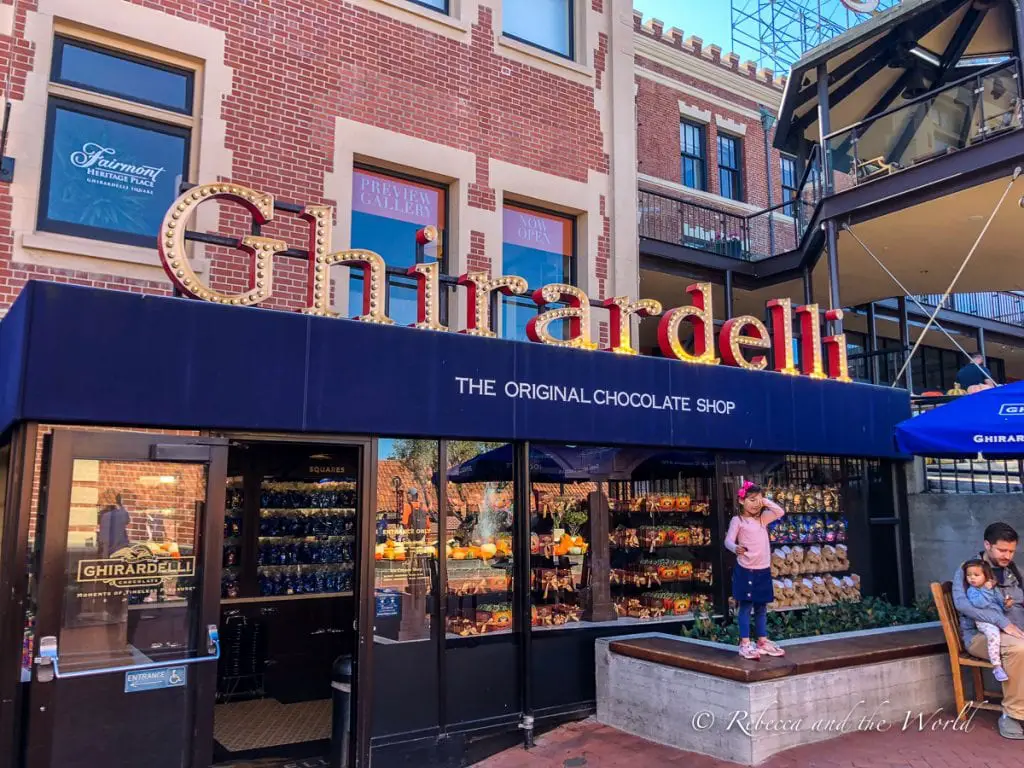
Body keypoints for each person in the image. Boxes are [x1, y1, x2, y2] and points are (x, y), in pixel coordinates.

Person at [952, 521, 1024, 739]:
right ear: (987, 545)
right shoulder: (969, 570)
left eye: (1011, 551)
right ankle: (1013, 716)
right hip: (981, 637)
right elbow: (963, 605)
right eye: (1002, 550)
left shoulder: (1013, 570)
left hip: (1016, 633)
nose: (1007, 556)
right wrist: (1003, 623)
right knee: (1019, 649)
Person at [724, 481, 787, 660]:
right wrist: (735, 548)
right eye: (751, 499)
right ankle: (744, 643)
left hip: (763, 570)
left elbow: (780, 512)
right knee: (745, 607)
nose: (755, 503)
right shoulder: (738, 520)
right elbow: (727, 541)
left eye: (758, 500)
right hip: (746, 570)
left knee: (761, 607)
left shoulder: (763, 519)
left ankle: (762, 641)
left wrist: (765, 501)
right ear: (741, 501)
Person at [963, 559, 1010, 681]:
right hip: (984, 621)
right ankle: (997, 666)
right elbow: (980, 604)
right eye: (968, 575)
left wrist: (1006, 604)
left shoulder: (992, 589)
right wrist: (986, 590)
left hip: (997, 619)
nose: (972, 578)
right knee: (993, 636)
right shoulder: (972, 591)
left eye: (976, 575)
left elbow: (999, 603)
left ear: (986, 576)